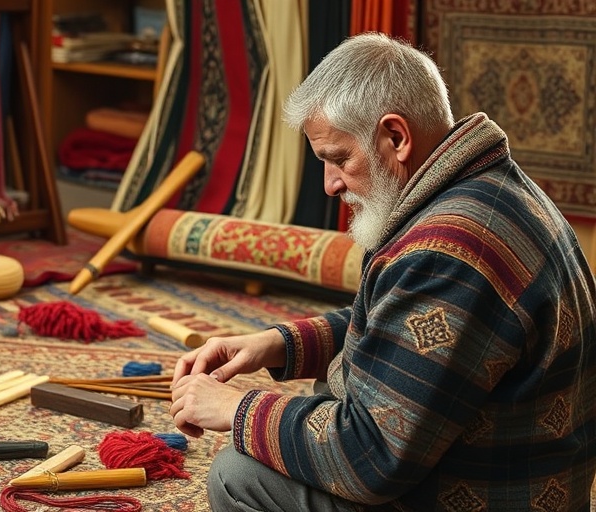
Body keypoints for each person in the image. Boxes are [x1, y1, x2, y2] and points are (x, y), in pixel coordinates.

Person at [169, 32, 596, 511]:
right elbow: (401, 326)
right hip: (526, 480)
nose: (331, 185)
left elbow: (369, 459)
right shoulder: (489, 188)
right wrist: (277, 344)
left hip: (490, 496)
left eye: (339, 159)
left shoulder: (449, 253)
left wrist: (236, 408)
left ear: (396, 136)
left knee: (239, 476)